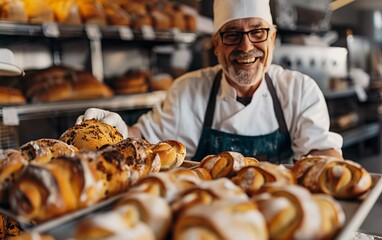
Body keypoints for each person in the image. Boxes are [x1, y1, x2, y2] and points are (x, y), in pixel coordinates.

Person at [76, 0, 343, 163]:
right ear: (216, 45)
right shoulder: (188, 91)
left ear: (272, 38)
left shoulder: (299, 91)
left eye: (258, 32)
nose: (246, 46)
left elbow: (323, 156)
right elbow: (143, 140)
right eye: (232, 35)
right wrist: (118, 130)